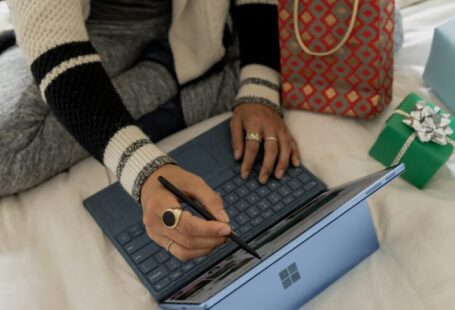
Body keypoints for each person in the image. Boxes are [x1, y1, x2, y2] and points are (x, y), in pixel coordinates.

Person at [0, 0, 300, 261]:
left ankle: (181, 68)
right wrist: (146, 172)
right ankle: (170, 69)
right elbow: (56, 50)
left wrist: (259, 87)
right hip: (93, 25)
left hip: (206, 18)